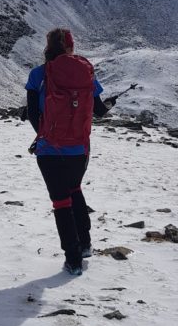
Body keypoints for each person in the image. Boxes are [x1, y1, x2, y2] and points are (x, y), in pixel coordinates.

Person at [25, 28, 115, 276]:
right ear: (70, 47)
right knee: (75, 189)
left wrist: (44, 135)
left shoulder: (37, 75)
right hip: (79, 149)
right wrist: (109, 104)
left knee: (60, 201)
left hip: (48, 150)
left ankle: (73, 260)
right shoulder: (85, 73)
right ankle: (85, 244)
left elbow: (32, 112)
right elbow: (99, 111)